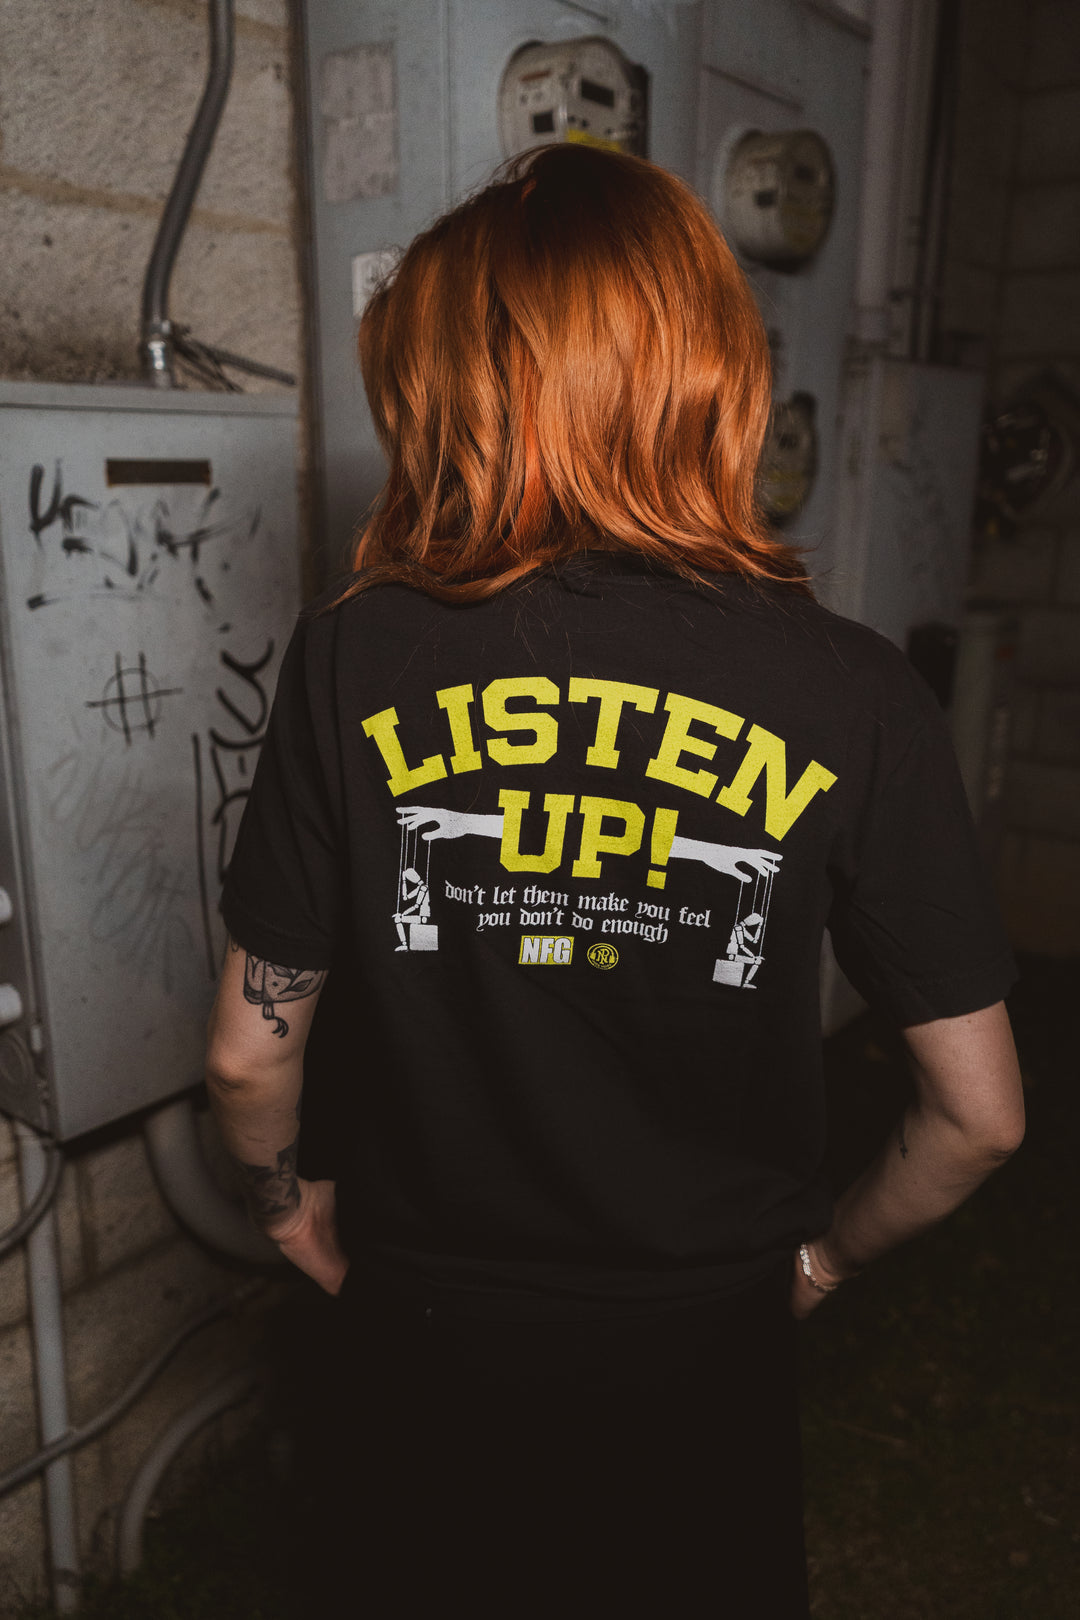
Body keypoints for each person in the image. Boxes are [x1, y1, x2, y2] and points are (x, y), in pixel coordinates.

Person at [205, 144, 1024, 1615]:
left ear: (447, 392)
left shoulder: (354, 651)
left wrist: (283, 1208)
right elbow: (980, 1116)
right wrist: (822, 1266)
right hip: (703, 1335)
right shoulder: (853, 690)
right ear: (711, 376)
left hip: (427, 1317)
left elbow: (247, 1054)